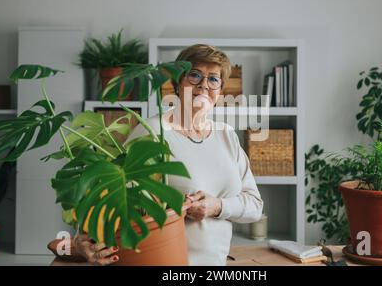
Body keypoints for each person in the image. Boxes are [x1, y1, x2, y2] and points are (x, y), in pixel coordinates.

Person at [74, 44, 264, 266]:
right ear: (177, 82)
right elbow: (111, 193)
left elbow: (254, 206)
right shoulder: (153, 131)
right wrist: (82, 241)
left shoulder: (227, 135)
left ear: (220, 90)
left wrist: (217, 206)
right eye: (194, 75)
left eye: (213, 79)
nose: (204, 85)